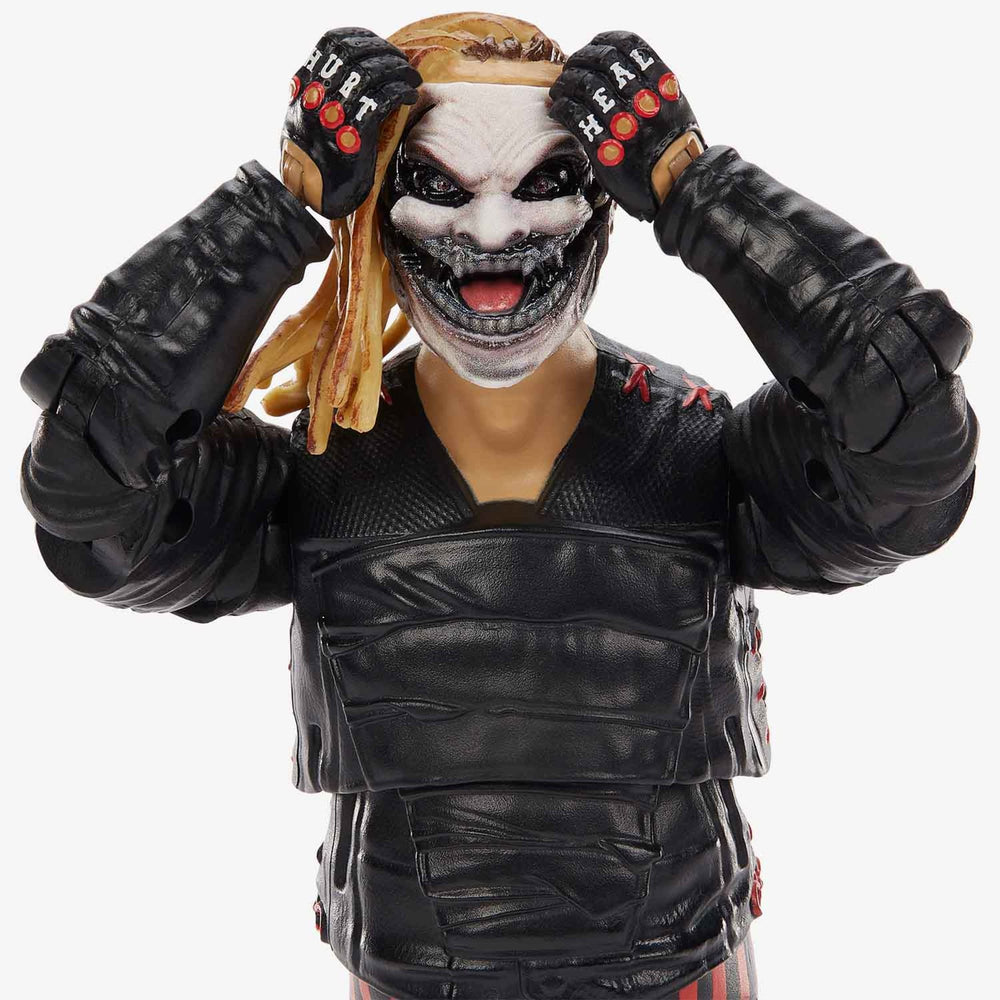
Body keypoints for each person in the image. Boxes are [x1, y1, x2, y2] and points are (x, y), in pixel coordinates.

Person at [18, 13, 978, 1000]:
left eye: (544, 183)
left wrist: (700, 189)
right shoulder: (317, 471)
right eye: (437, 187)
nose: (490, 236)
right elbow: (90, 492)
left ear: (605, 198)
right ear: (375, 208)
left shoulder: (701, 453)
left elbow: (909, 434)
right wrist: (277, 205)